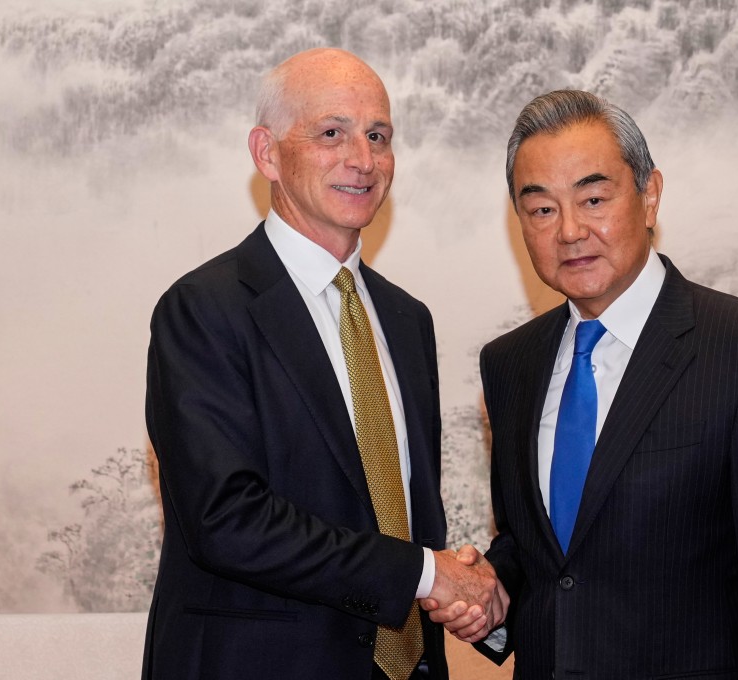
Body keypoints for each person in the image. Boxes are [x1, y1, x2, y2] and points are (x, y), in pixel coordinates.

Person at [426, 90, 738, 679]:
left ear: (649, 195)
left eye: (593, 198)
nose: (569, 231)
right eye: (541, 209)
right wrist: (492, 589)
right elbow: (548, 551)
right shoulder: (509, 364)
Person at [141, 48, 500, 680]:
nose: (362, 160)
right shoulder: (204, 309)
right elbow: (226, 519)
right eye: (331, 133)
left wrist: (469, 596)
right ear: (267, 153)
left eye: (378, 136)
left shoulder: (407, 320)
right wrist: (424, 573)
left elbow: (405, 512)